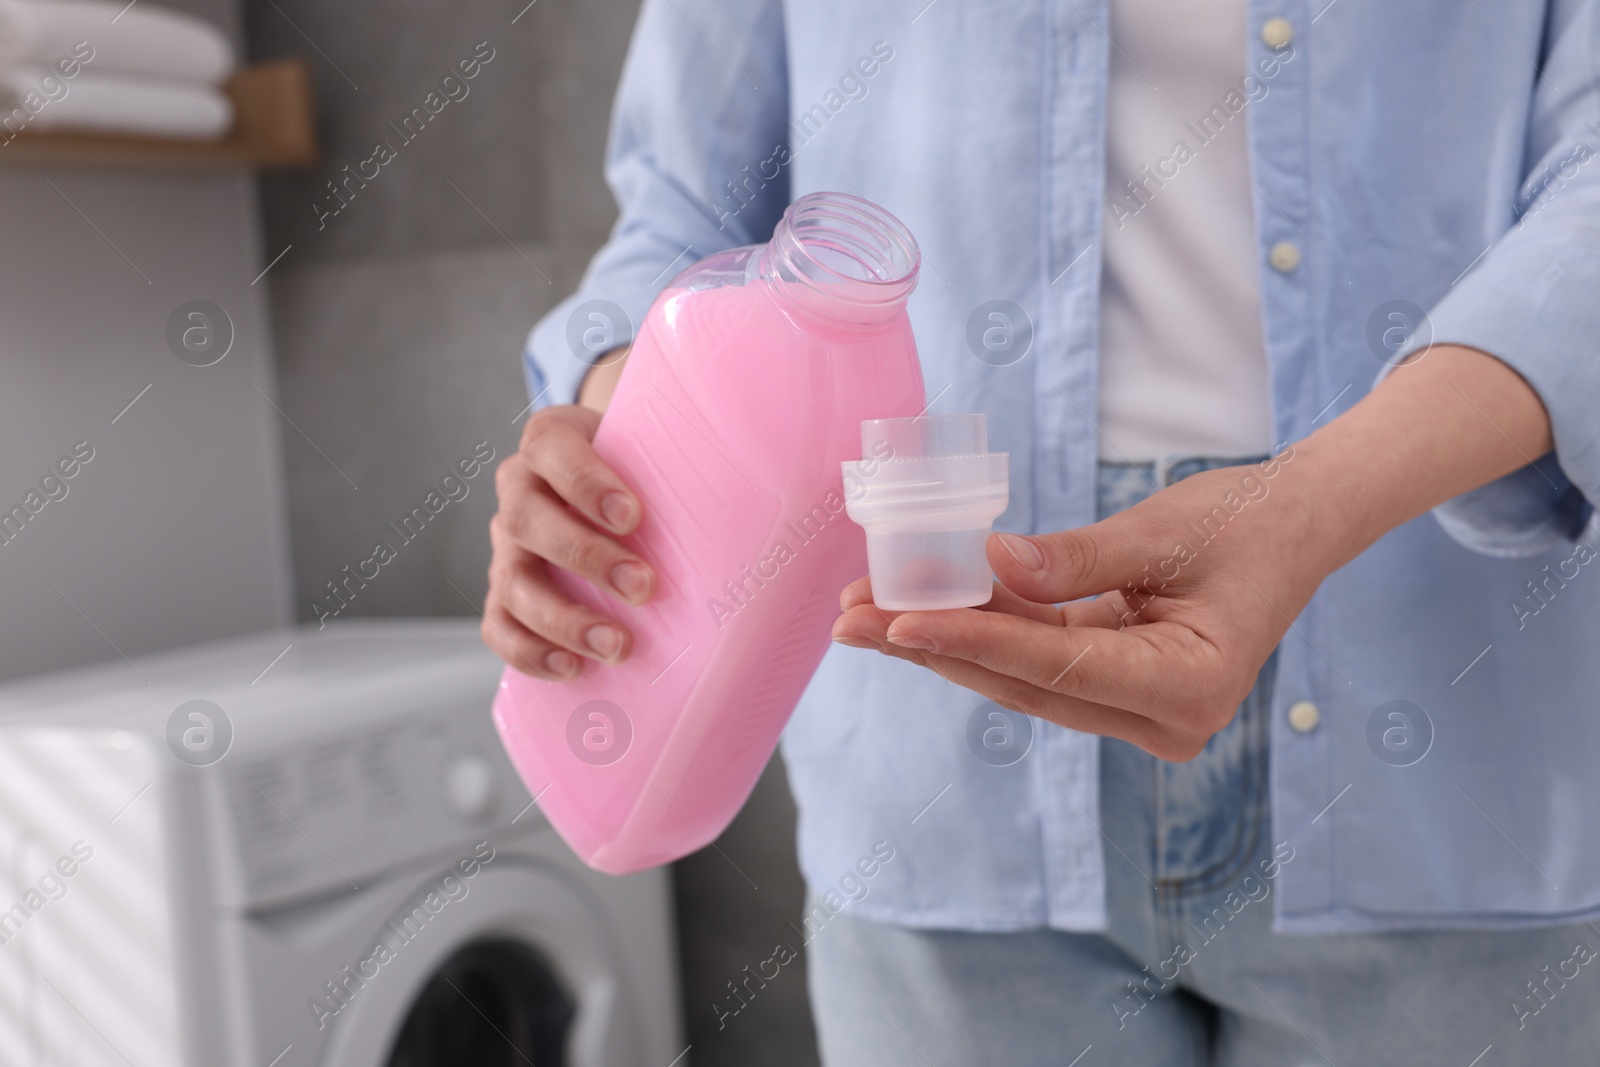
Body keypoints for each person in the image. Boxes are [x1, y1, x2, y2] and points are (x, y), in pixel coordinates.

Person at [485, 0, 1600, 1062]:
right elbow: (683, 218)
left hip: (1449, 726)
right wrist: (622, 456)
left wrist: (1310, 503)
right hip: (932, 761)